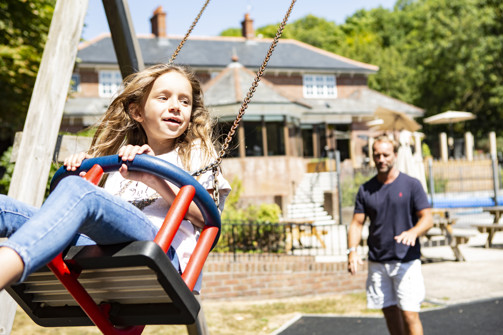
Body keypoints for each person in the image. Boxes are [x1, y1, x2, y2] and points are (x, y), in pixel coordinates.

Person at [0, 64, 231, 294]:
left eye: (184, 101)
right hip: (100, 246)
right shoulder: (121, 158)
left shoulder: (194, 152)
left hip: (159, 249)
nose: (175, 107)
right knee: (4, 207)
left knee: (82, 192)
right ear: (137, 112)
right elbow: (102, 214)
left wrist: (155, 180)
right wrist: (81, 177)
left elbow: (207, 216)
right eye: (163, 98)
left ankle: (7, 264)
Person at [347, 135, 432, 335]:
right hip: (378, 262)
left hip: (406, 260)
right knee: (390, 313)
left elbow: (427, 219)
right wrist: (352, 251)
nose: (381, 159)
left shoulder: (411, 185)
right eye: (377, 155)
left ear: (394, 155)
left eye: (386, 155)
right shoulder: (366, 189)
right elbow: (356, 224)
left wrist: (413, 232)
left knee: (410, 314)